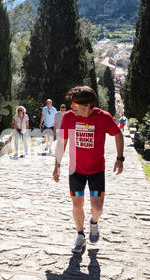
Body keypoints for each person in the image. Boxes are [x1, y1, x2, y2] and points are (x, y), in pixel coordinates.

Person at [53, 86, 124, 254]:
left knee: (97, 207)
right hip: (75, 171)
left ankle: (94, 222)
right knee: (77, 204)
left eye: (75, 105)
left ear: (88, 105)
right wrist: (57, 165)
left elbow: (118, 134)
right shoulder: (69, 118)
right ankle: (80, 236)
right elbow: (62, 142)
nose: (72, 108)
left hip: (96, 171)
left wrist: (120, 158)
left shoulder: (103, 117)